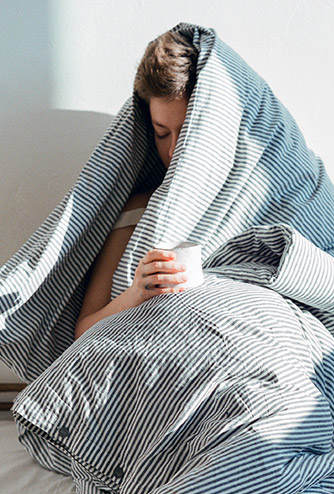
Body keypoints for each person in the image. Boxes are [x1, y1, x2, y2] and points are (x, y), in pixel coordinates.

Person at [74, 30, 197, 340]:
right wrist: (136, 292)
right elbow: (83, 331)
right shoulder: (138, 210)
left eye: (185, 132)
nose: (171, 151)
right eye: (161, 133)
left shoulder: (260, 199)